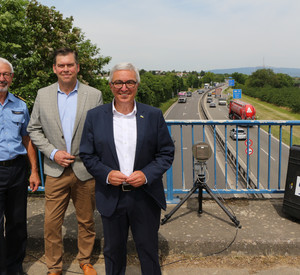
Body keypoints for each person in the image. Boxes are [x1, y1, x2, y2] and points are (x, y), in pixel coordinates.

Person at [79, 62, 175, 275]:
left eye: (129, 82)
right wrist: (106, 174)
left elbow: (166, 153)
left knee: (148, 250)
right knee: (113, 252)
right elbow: (87, 154)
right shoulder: (95, 116)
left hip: (145, 196)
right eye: (119, 83)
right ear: (111, 86)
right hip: (111, 196)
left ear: (137, 85)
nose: (124, 88)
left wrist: (146, 174)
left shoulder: (153, 115)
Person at [27, 48, 102, 275]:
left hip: (84, 170)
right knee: (51, 224)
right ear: (55, 69)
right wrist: (52, 153)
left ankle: (85, 260)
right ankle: (54, 267)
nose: (66, 69)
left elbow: (99, 132)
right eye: (61, 65)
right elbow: (34, 129)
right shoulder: (43, 94)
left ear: (77, 67)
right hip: (54, 169)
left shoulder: (94, 94)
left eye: (70, 65)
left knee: (86, 221)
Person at [0, 58, 40, 275]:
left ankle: (15, 268)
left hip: (17, 170)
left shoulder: (20, 105)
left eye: (6, 74)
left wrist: (34, 171)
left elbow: (27, 139)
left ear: (12, 78)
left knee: (17, 223)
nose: (2, 78)